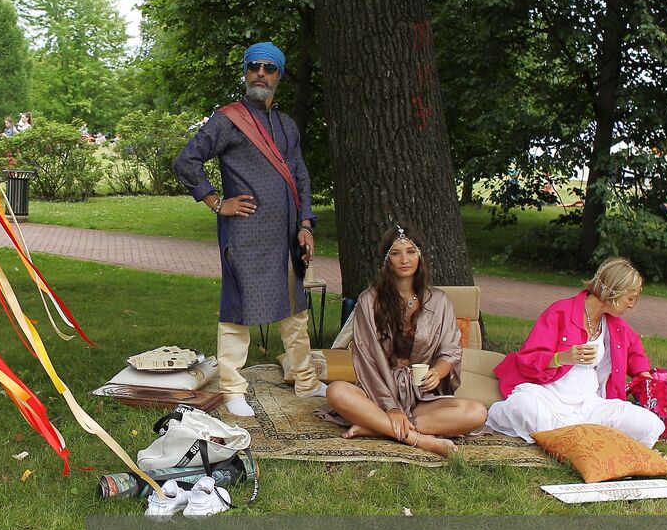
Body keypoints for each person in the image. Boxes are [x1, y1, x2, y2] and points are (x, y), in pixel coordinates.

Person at [172, 41, 322, 417]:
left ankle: (305, 381)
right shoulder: (228, 119)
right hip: (245, 233)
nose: (260, 73)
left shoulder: (287, 125)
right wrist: (216, 202)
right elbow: (186, 161)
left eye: (269, 68)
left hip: (286, 233)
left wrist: (305, 224)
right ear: (245, 71)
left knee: (294, 309)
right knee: (237, 311)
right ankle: (232, 388)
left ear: (278, 76)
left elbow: (300, 176)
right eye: (254, 66)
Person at [324, 225, 487, 457]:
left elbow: (451, 350)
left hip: (420, 395)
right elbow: (366, 359)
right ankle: (418, 439)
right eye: (396, 253)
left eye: (411, 251)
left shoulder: (439, 300)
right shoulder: (369, 301)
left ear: (420, 256)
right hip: (376, 391)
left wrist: (438, 372)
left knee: (476, 412)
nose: (404, 259)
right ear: (386, 259)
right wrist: (390, 407)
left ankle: (376, 428)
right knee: (336, 391)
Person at [485, 257, 662, 446]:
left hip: (591, 405)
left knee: (650, 425)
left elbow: (634, 349)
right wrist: (561, 358)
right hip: (548, 399)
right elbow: (528, 359)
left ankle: (571, 437)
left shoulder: (613, 323)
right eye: (630, 298)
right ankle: (578, 438)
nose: (632, 305)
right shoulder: (560, 312)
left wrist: (644, 376)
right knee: (526, 408)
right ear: (613, 292)